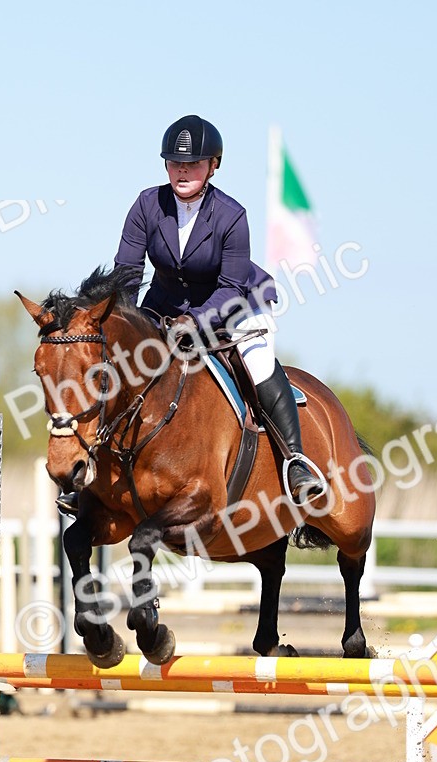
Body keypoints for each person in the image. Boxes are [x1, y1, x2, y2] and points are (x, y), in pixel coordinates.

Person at [57, 114, 323, 515]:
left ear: (213, 165)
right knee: (121, 364)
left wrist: (196, 322)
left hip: (236, 306)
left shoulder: (231, 215)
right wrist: (121, 322)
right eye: (175, 163)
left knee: (258, 365)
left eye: (193, 163)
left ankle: (295, 462)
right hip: (165, 308)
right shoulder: (147, 204)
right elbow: (128, 273)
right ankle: (96, 477)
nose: (182, 171)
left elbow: (230, 286)